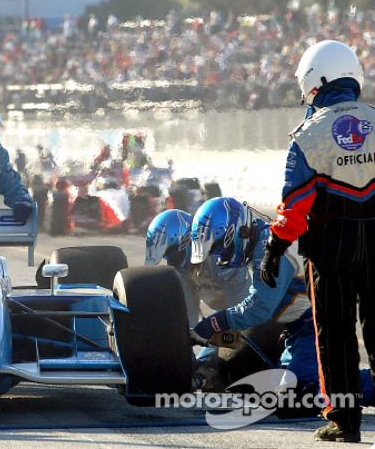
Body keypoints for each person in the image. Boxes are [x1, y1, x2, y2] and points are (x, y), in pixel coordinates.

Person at [260, 40, 375, 442]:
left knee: (335, 332)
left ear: (313, 82)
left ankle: (345, 424)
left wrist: (274, 247)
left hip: (330, 245)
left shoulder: (307, 134)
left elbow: (294, 205)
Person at [189, 197, 321, 404]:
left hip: (318, 328)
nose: (220, 256)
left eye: (219, 248)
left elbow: (258, 308)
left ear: (235, 232)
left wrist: (209, 325)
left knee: (300, 400)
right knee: (272, 395)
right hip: (298, 330)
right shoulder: (262, 242)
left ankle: (368, 385)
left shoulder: (271, 249)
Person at [145, 208, 250, 327]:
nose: (170, 261)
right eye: (166, 256)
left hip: (255, 316)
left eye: (171, 253)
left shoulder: (219, 259)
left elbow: (243, 311)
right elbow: (188, 314)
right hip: (230, 315)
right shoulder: (181, 268)